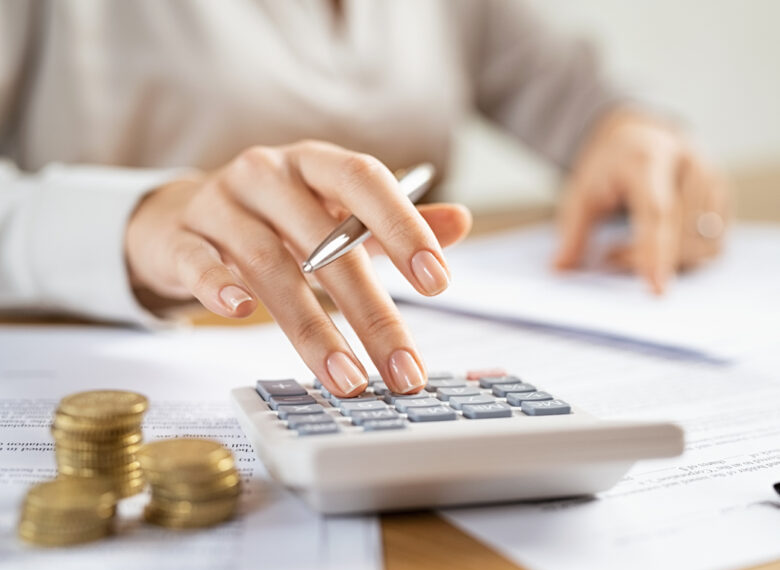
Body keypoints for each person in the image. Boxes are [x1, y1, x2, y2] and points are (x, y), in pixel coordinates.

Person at [0, 1, 728, 396]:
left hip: (441, 350)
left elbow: (579, 91)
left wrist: (635, 136)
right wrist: (134, 220)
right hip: (136, 355)